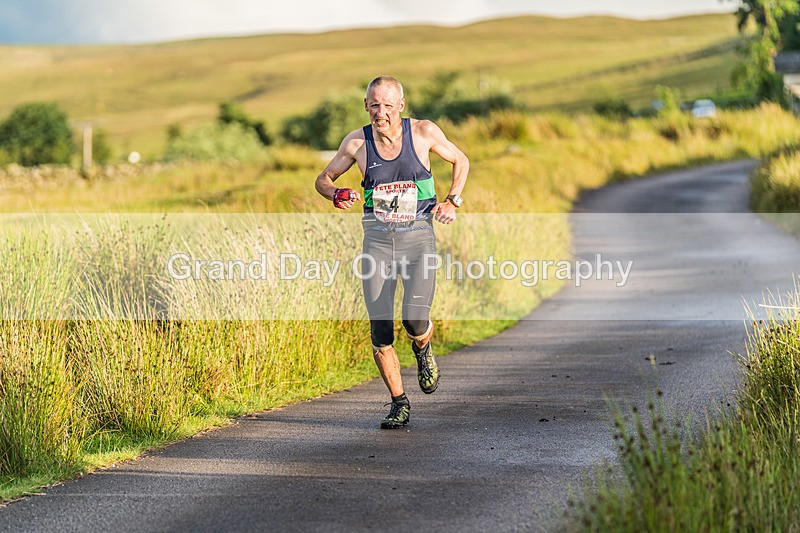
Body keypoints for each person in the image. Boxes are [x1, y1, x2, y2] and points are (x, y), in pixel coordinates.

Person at [314, 75, 469, 429]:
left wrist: (452, 200)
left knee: (414, 321)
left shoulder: (425, 132)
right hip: (378, 245)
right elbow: (323, 179)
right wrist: (335, 193)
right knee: (380, 330)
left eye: (387, 104)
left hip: (418, 241)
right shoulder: (357, 143)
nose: (380, 111)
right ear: (365, 106)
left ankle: (422, 346)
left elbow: (461, 160)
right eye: (374, 104)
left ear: (400, 106)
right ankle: (399, 403)